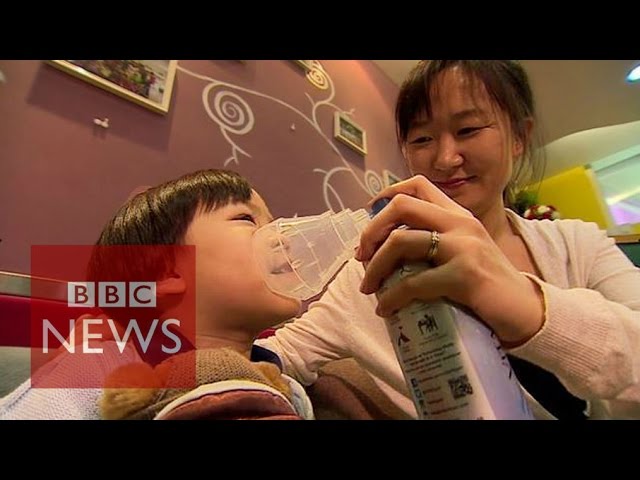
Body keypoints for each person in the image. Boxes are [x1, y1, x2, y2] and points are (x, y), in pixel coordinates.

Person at [257, 60, 640, 420]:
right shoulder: (371, 272)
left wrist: (528, 308)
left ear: (519, 137)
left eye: (468, 130)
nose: (445, 159)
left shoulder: (577, 245)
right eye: (422, 138)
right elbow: (277, 356)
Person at [0, 169, 313, 420]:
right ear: (168, 274)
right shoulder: (102, 367)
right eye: (246, 219)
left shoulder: (286, 386)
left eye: (274, 223)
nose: (282, 238)